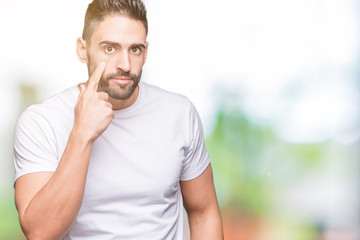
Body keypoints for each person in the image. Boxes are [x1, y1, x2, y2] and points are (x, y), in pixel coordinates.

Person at [13, 0, 223, 239]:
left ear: (146, 51)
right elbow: (39, 232)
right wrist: (81, 134)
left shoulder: (179, 113)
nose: (125, 65)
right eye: (110, 48)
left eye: (135, 49)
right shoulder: (41, 122)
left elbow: (203, 213)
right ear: (83, 49)